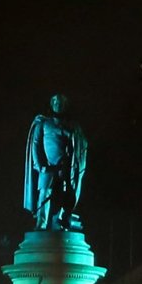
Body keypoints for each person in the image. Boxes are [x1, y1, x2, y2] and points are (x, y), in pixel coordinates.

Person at [24, 94, 87, 231]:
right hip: (48, 167)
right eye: (56, 103)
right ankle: (41, 223)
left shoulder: (71, 125)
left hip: (66, 167)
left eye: (61, 103)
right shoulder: (43, 123)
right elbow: (36, 145)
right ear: (51, 104)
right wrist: (40, 166)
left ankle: (61, 221)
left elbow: (79, 145)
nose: (58, 105)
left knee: (65, 195)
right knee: (45, 193)